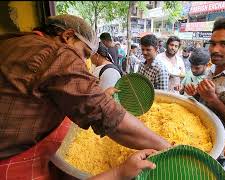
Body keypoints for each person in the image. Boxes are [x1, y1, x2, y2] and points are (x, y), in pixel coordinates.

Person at [0, 14, 171, 179]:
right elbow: (110, 118)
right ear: (68, 36)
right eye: (84, 53)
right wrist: (167, 147)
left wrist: (99, 96)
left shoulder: (13, 41)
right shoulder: (57, 53)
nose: (83, 63)